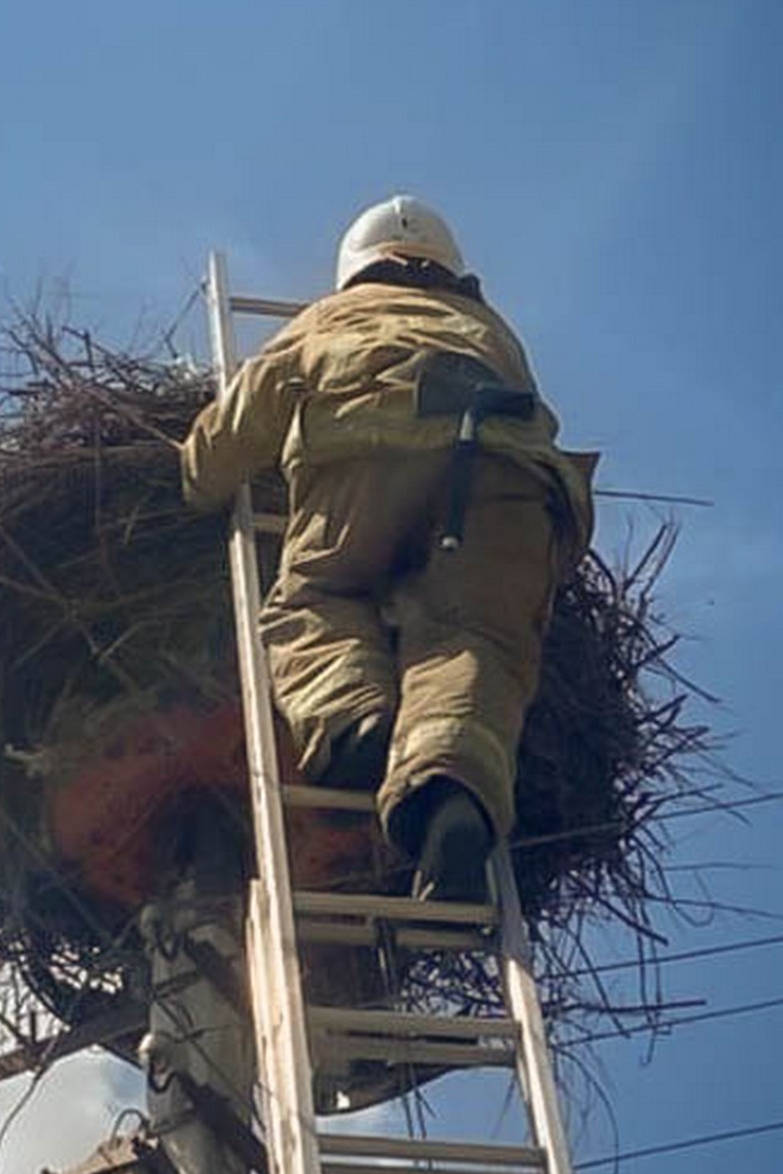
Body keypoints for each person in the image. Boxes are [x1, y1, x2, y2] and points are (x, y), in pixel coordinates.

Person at [181, 197, 597, 901]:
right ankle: (451, 793)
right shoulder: (492, 333)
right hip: (512, 481)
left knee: (315, 600)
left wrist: (197, 473)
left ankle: (353, 721)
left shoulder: (332, 317)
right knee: (473, 643)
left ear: (356, 270)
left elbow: (235, 428)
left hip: (370, 453)